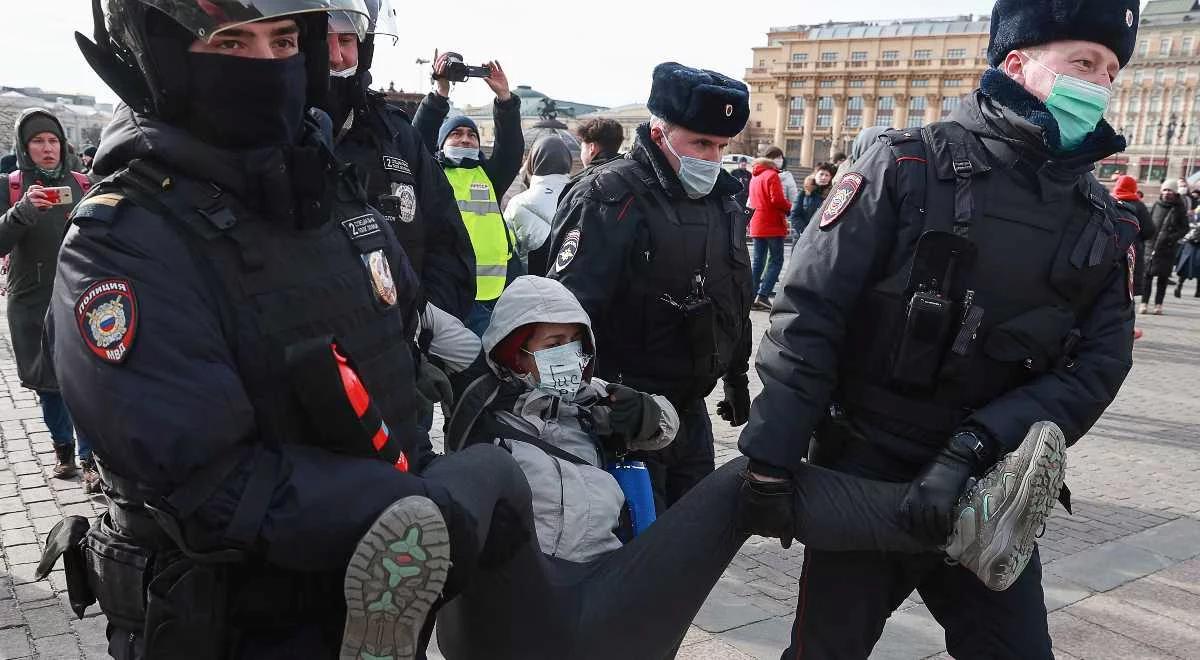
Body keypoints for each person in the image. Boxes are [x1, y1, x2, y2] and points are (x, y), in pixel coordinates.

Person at [44, 3, 541, 658]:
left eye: (283, 40)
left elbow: (412, 325)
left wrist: (512, 391)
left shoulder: (327, 191)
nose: (268, 65)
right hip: (235, 623)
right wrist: (413, 508)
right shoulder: (124, 239)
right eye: (230, 42)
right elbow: (210, 482)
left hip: (377, 597)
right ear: (159, 56)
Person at [736, 0, 1144, 656]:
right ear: (1017, 62)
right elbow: (810, 311)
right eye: (1083, 62)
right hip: (866, 467)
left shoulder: (1106, 219)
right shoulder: (904, 165)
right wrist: (770, 458)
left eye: (1110, 71)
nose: (1098, 83)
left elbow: (1100, 365)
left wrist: (975, 446)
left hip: (990, 491)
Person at [433, 275, 1068, 660]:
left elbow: (666, 427)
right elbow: (399, 310)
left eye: (574, 343)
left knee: (749, 480)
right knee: (490, 474)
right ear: (512, 350)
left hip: (605, 601)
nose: (565, 356)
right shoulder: (478, 388)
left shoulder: (598, 401)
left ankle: (961, 524)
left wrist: (635, 415)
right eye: (548, 345)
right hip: (510, 614)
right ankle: (408, 545)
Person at [545, 62, 754, 511]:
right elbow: (561, 315)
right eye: (701, 142)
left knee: (688, 543)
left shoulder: (725, 200)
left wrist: (736, 375)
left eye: (721, 145)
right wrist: (579, 405)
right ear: (660, 133)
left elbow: (735, 293)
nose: (713, 158)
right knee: (630, 554)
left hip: (689, 412)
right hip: (621, 411)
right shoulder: (608, 196)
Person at [325, 2, 476, 322]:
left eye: (347, 41)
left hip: (407, 340)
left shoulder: (393, 132)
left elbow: (446, 241)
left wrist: (425, 318)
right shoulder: (275, 131)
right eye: (324, 40)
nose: (337, 56)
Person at [0, 108, 97, 491]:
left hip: (79, 296)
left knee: (86, 383)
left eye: (53, 140)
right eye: (38, 141)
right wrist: (23, 211)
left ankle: (91, 460)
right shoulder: (10, 184)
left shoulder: (83, 182)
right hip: (31, 301)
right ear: (25, 148)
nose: (47, 148)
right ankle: (63, 451)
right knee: (48, 384)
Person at [413, 54, 524, 337]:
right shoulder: (431, 174)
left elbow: (510, 148)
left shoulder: (489, 175)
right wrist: (440, 94)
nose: (465, 139)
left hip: (498, 292)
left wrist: (505, 99)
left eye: (471, 135)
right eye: (456, 134)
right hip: (450, 292)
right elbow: (415, 140)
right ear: (441, 143)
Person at [505, 133, 572, 269]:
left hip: (531, 285)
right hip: (572, 286)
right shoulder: (580, 195)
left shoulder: (517, 203)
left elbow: (507, 252)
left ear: (532, 161)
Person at [1111, 175, 1154, 340]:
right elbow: (1150, 230)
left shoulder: (1109, 201)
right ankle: (1127, 328)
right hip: (1132, 253)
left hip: (1110, 251)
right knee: (1128, 291)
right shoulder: (1139, 206)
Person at [747, 156, 791, 311]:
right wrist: (789, 207)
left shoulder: (755, 177)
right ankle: (763, 295)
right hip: (772, 223)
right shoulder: (772, 175)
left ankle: (751, 297)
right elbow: (777, 199)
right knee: (776, 260)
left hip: (757, 222)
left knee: (758, 262)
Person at [1143, 182, 1189, 314]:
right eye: (1165, 190)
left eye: (1170, 190)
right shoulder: (1156, 205)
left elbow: (1184, 228)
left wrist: (1171, 238)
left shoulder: (1180, 208)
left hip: (1167, 249)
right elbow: (1148, 222)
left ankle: (1158, 305)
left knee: (1162, 279)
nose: (1167, 192)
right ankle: (1144, 304)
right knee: (1147, 277)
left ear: (1175, 193)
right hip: (1150, 247)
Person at [789, 162, 835, 235]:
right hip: (803, 236)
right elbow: (794, 215)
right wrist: (804, 230)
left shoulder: (832, 194)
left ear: (830, 178)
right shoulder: (804, 193)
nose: (823, 177)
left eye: (827, 175)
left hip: (823, 236)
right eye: (821, 174)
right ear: (815, 175)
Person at [762, 145, 797, 215]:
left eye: (780, 157)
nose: (779, 160)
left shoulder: (787, 177)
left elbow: (793, 198)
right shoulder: (760, 175)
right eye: (775, 157)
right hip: (773, 217)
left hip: (777, 216)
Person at [1174, 210, 1200, 298]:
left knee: (1186, 267)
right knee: (1194, 267)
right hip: (1192, 243)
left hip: (1189, 243)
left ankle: (1180, 285)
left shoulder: (1194, 212)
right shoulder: (1195, 213)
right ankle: (1197, 291)